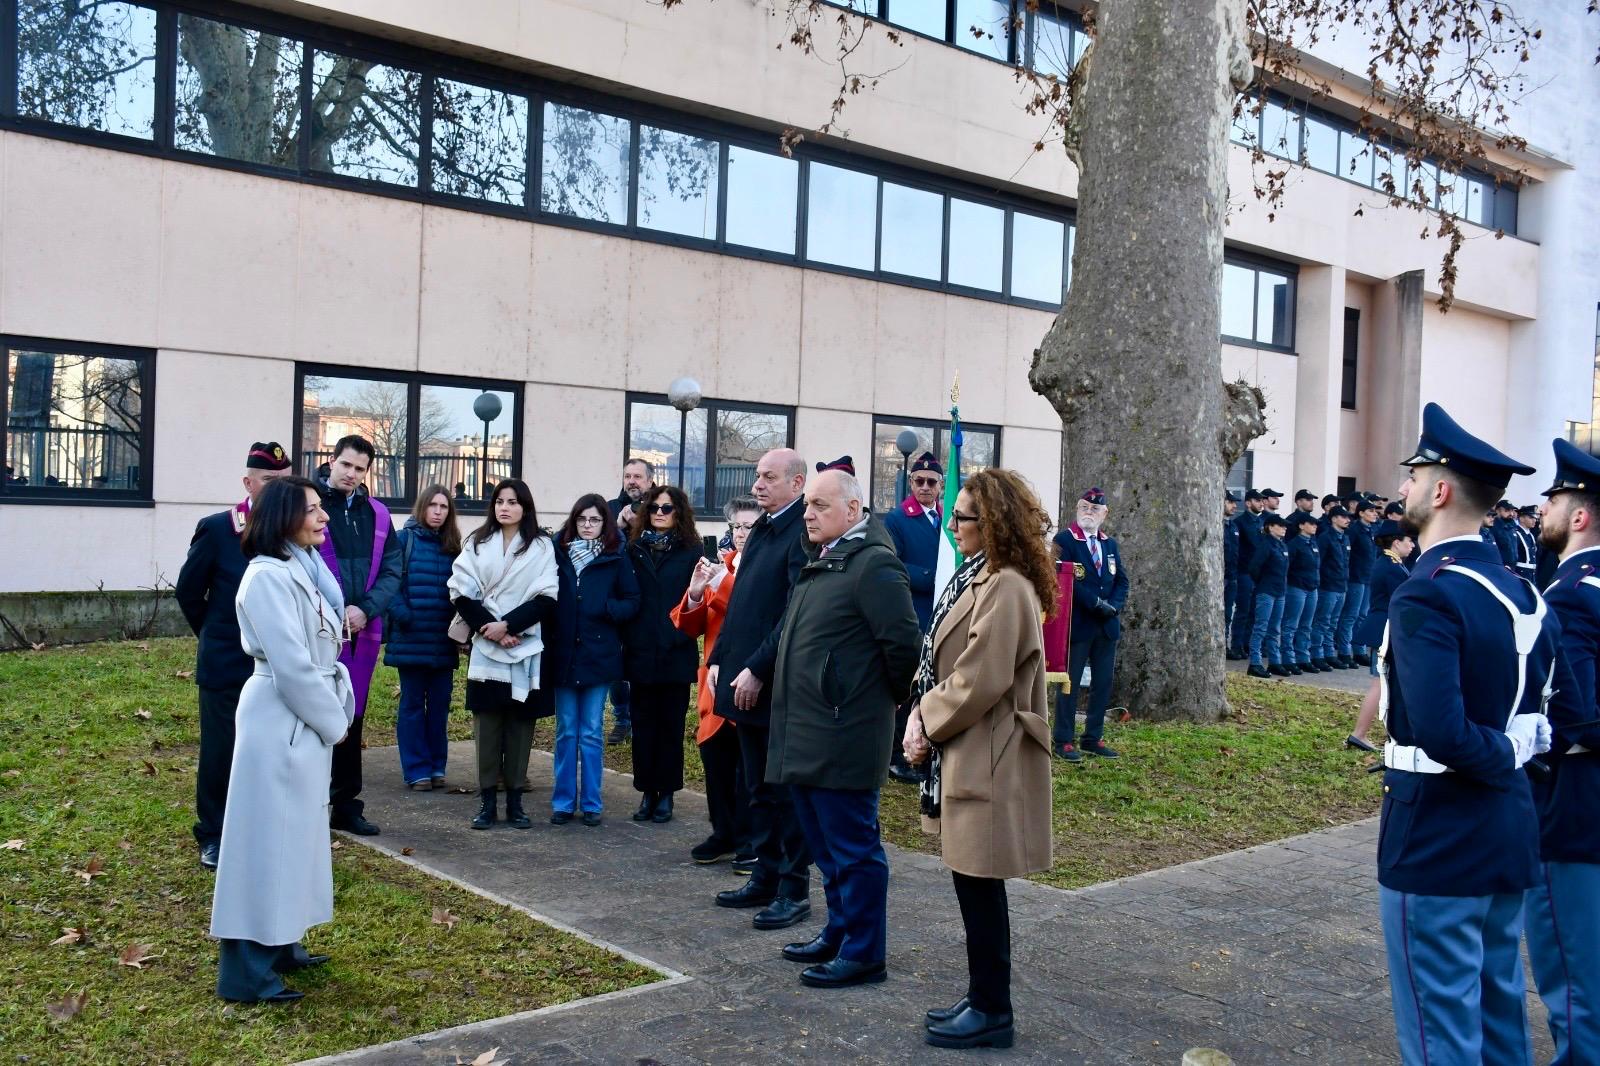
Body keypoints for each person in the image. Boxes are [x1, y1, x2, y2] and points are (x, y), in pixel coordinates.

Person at [1377, 403, 1568, 1065]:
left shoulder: (1428, 592)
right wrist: (1522, 745)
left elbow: (1439, 731)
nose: (1401, 488)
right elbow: (1563, 709)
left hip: (1437, 835)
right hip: (1507, 827)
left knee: (1441, 1039)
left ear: (1440, 491)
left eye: (1412, 476)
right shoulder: (1521, 592)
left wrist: (1510, 748)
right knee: (1497, 1024)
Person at [902, 468, 1055, 1050]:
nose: (952, 523)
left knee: (980, 881)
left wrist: (924, 718)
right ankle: (983, 996)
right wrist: (923, 714)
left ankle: (994, 1010)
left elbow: (980, 676)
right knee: (972, 880)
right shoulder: (982, 575)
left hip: (989, 751)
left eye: (964, 516)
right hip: (970, 748)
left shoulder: (1008, 585)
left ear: (993, 523)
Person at [769, 470, 921, 989]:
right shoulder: (826, 559)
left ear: (853, 511)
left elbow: (904, 647)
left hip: (843, 730)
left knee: (854, 849)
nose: (807, 514)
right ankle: (840, 930)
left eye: (818, 505)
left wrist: (876, 701)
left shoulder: (873, 565)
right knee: (826, 846)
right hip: (808, 730)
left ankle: (864, 952)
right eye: (807, 504)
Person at [211, 477, 353, 1004]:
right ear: (282, 517)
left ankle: (283, 941)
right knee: (265, 840)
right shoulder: (267, 578)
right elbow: (293, 667)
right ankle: (247, 971)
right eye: (312, 510)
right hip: (281, 718)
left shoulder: (302, 570)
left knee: (297, 837)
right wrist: (335, 723)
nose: (323, 517)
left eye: (321, 508)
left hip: (301, 717)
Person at [708, 448, 814, 930]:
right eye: (756, 476)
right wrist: (717, 659)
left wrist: (757, 668)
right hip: (740, 679)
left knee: (782, 792)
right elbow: (742, 606)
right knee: (757, 789)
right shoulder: (764, 529)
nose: (758, 485)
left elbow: (792, 614)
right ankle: (765, 877)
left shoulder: (799, 533)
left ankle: (793, 889)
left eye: (769, 477)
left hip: (772, 687)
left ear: (797, 483)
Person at [175, 441, 293, 871]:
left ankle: (259, 830)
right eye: (268, 480)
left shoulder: (290, 533)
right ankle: (214, 834)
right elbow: (189, 591)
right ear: (248, 482)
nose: (276, 488)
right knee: (222, 751)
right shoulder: (219, 528)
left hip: (275, 667)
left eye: (283, 480)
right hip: (227, 662)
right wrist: (213, 634)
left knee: (268, 751)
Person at [1525, 438, 1600, 1065]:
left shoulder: (1573, 591)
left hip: (1573, 808)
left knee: (1573, 972)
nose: (1543, 507)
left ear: (1579, 514)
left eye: (1553, 497)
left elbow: (1575, 713)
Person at [449, 479, 559, 831]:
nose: (505, 507)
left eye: (513, 501)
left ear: (525, 506)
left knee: (519, 728)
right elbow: (461, 593)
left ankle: (515, 802)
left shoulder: (541, 546)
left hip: (524, 644)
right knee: (487, 726)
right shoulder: (477, 543)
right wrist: (490, 629)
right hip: (486, 646)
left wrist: (510, 626)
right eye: (499, 501)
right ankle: (486, 804)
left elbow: (547, 596)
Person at [315, 435, 402, 837]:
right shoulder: (309, 507)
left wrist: (365, 609)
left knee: (353, 713)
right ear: (331, 461)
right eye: (346, 465)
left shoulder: (378, 514)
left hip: (361, 630)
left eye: (360, 468)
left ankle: (346, 804)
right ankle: (311, 798)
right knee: (315, 713)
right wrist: (334, 612)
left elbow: (392, 570)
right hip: (316, 629)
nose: (351, 474)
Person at [672, 496, 759, 867]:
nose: (742, 533)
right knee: (715, 759)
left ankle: (751, 840)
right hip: (713, 683)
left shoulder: (762, 570)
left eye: (750, 526)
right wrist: (694, 592)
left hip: (748, 681)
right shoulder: (721, 566)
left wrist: (722, 583)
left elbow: (748, 611)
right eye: (737, 526)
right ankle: (723, 831)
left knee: (747, 767)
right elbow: (689, 625)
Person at [546, 493, 640, 827]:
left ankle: (592, 803)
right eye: (582, 519)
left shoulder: (616, 556)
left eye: (595, 520)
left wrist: (607, 610)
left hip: (599, 655)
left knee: (590, 731)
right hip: (563, 654)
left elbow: (632, 600)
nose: (588, 526)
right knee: (565, 730)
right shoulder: (557, 555)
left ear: (605, 523)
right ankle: (563, 802)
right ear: (574, 521)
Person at [622, 485, 701, 825]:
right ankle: (646, 791)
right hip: (640, 651)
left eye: (667, 508)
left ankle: (666, 793)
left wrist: (676, 633)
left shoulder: (692, 551)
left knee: (670, 726)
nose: (658, 513)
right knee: (642, 726)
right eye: (653, 507)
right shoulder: (634, 548)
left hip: (675, 652)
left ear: (678, 512)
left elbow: (697, 602)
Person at [384, 484, 463, 791]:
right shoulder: (404, 540)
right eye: (433, 506)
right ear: (422, 507)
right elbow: (388, 583)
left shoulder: (454, 547)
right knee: (413, 705)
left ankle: (437, 766)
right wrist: (404, 615)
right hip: (411, 637)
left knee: (440, 705)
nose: (438, 512)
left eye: (444, 507)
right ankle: (416, 770)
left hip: (443, 640)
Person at [1050, 488, 1129, 761]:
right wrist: (1096, 603)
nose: (1089, 512)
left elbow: (1122, 581)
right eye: (1084, 506)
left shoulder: (1110, 545)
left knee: (1103, 682)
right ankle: (1063, 740)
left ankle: (1092, 738)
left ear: (1104, 514)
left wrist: (1114, 606)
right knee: (1069, 684)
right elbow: (1063, 579)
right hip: (1078, 624)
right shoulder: (1064, 540)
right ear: (1076, 508)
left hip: (1106, 625)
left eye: (1095, 509)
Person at [884, 451, 946, 783]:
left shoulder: (946, 517)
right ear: (911, 483)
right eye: (919, 481)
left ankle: (924, 746)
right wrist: (931, 576)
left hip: (940, 613)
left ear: (940, 485)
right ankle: (897, 755)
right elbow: (893, 565)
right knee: (908, 685)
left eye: (931, 482)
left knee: (931, 684)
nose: (925, 487)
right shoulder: (897, 519)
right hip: (912, 611)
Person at [1345, 518, 1413, 750]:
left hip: (1387, 627)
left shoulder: (1393, 563)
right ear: (1396, 543)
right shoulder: (1390, 566)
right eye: (1408, 540)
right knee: (1380, 683)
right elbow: (1401, 601)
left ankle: (1366, 733)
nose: (1412, 544)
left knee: (1385, 683)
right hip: (1386, 629)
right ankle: (1360, 733)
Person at [606, 458, 655, 745]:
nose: (632, 481)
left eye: (638, 476)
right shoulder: (611, 508)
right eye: (627, 476)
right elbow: (600, 544)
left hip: (648, 596)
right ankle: (621, 718)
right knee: (617, 662)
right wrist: (619, 524)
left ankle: (640, 717)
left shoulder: (661, 508)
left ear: (650, 480)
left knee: (641, 659)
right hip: (618, 595)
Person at [1246, 513, 1291, 678]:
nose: (1284, 528)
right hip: (1266, 591)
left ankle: (1274, 661)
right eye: (1280, 525)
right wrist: (1262, 582)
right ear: (1270, 527)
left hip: (1280, 591)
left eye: (1285, 526)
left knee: (1274, 629)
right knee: (1260, 627)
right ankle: (1255, 663)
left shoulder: (1282, 545)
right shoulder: (1266, 545)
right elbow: (1254, 567)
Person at [1339, 496, 1381, 668]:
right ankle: (1344, 651)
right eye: (1370, 511)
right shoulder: (1354, 530)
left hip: (1367, 577)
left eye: (1374, 510)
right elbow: (1348, 555)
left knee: (1362, 616)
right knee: (1350, 616)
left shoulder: (1371, 530)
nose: (1374, 514)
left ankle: (1359, 650)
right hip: (1355, 577)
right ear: (1361, 513)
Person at [1311, 505, 1351, 671]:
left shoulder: (1345, 538)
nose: (1347, 519)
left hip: (1341, 585)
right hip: (1328, 586)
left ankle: (1328, 653)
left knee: (1333, 623)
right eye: (1343, 517)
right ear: (1334, 518)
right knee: (1322, 621)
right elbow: (1319, 562)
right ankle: (1316, 654)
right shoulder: (1326, 537)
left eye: (1348, 517)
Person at [1281, 513, 1321, 674]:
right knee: (1291, 625)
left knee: (1306, 625)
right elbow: (1287, 567)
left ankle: (1303, 657)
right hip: (1296, 587)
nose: (1315, 526)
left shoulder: (1313, 543)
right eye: (1311, 524)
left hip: (1312, 587)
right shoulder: (1294, 544)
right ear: (1301, 526)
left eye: (1315, 524)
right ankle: (1288, 658)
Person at [1229, 489, 1266, 660]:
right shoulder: (1240, 522)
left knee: (1253, 612)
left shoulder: (1261, 522)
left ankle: (1246, 644)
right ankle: (1236, 645)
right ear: (1248, 503)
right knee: (1243, 611)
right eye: (1257, 501)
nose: (1261, 503)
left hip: (1257, 573)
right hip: (1243, 572)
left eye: (1262, 501)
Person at [1222, 491, 1241, 658]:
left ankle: (1224, 645)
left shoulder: (1233, 526)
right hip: (1220, 578)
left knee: (1228, 614)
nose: (1234, 506)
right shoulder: (1216, 524)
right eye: (1230, 502)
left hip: (1232, 576)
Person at [1510, 502, 1539, 582]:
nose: (1534, 520)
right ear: (1522, 519)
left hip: (1531, 574)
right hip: (1520, 574)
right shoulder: (1516, 534)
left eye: (1535, 518)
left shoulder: (1530, 535)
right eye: (1531, 518)